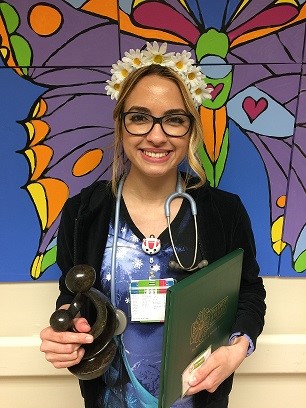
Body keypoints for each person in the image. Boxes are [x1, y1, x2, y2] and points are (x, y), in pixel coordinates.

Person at [40, 42, 266, 408]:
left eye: (174, 119)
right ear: (121, 124)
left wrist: (238, 348)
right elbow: (74, 298)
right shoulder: (84, 212)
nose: (157, 136)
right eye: (140, 117)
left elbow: (249, 293)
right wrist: (68, 337)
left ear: (191, 129)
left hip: (195, 398)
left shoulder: (223, 211)